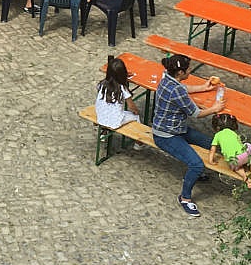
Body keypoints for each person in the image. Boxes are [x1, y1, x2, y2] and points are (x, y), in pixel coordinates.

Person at [151, 54, 227, 217]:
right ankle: (185, 198)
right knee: (196, 164)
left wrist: (203, 87)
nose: (190, 71)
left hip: (177, 129)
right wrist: (215, 109)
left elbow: (183, 89)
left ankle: (195, 175)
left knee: (211, 143)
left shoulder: (167, 78)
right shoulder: (176, 90)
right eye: (188, 69)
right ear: (180, 72)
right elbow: (196, 113)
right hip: (166, 135)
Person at [95, 56, 141, 129]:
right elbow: (131, 107)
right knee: (136, 116)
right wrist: (137, 111)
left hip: (100, 117)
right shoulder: (122, 88)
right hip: (115, 122)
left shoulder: (102, 84)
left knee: (113, 111)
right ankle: (137, 134)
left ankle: (104, 131)